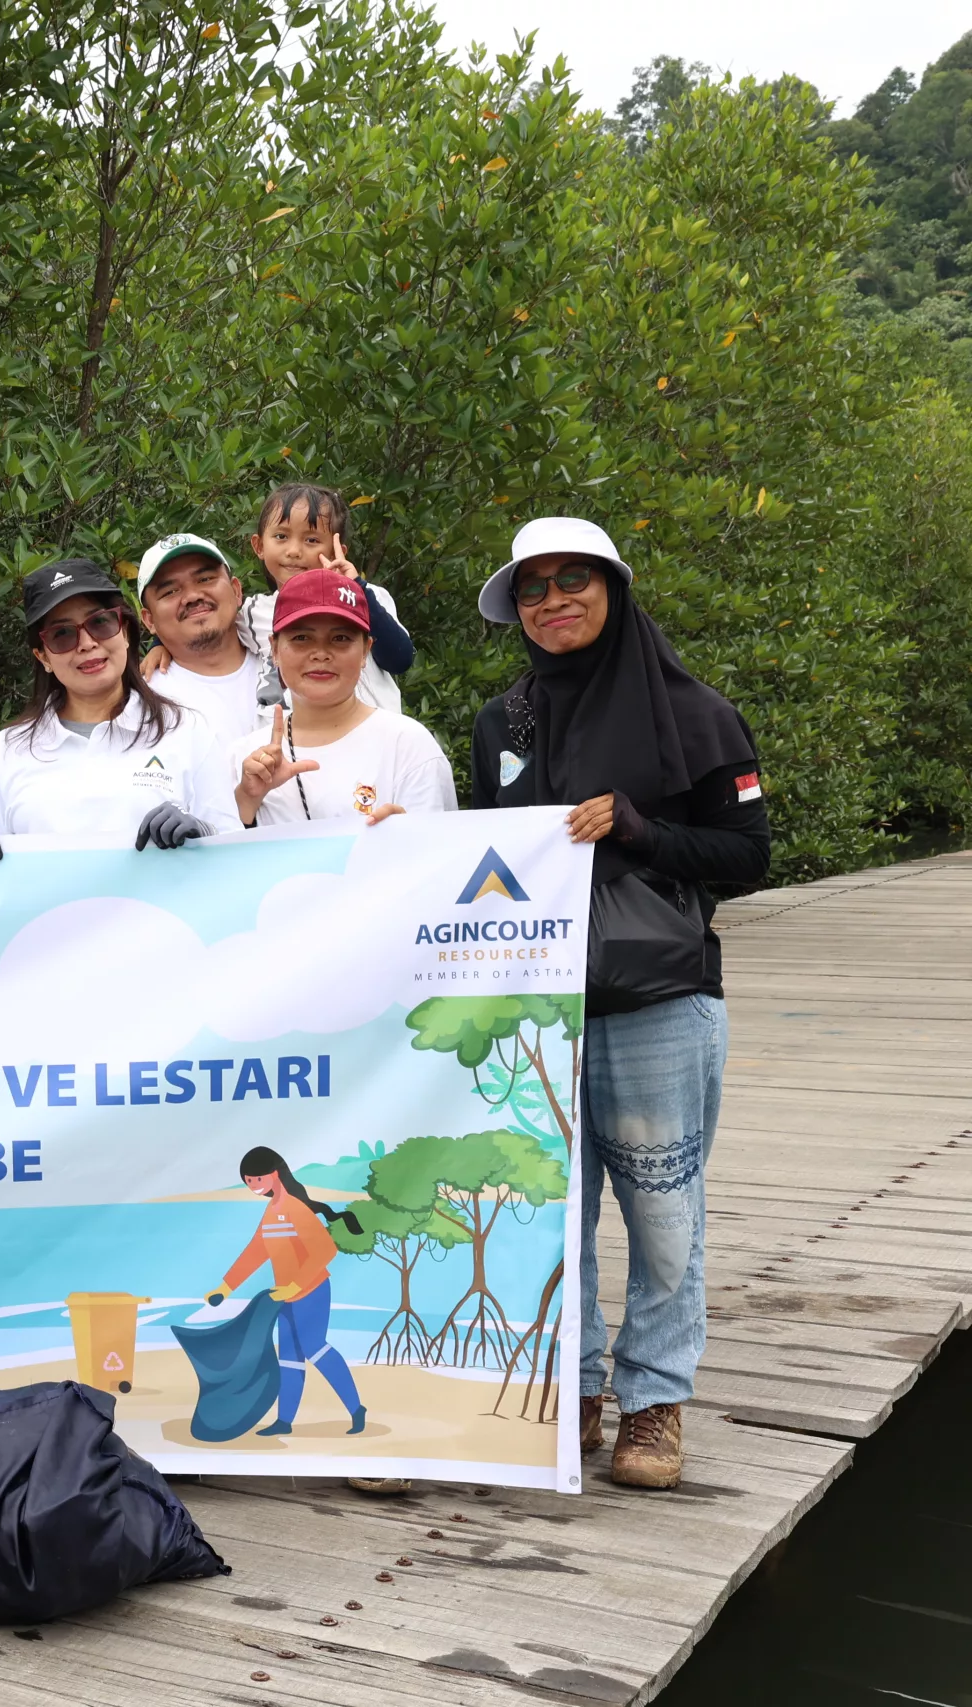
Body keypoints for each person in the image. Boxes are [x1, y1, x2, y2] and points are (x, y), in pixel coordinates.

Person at [472, 516, 768, 1492]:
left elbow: (747, 857)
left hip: (656, 1000)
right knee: (548, 1214)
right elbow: (482, 862)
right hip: (532, 1008)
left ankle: (651, 1402)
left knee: (661, 1212)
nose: (553, 600)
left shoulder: (699, 716)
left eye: (573, 581)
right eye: (533, 587)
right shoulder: (499, 724)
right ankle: (575, 1391)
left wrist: (638, 829)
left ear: (613, 589)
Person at [0, 558, 239, 860]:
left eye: (100, 623)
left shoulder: (187, 730)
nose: (86, 644)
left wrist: (202, 833)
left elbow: (235, 854)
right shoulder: (5, 753)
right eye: (62, 635)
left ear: (124, 632)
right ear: (42, 656)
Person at [233, 568, 457, 828]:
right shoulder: (247, 760)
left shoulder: (409, 747)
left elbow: (440, 858)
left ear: (365, 650)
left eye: (340, 638)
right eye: (301, 638)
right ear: (274, 649)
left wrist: (407, 840)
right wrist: (247, 801)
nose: (320, 653)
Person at [207, 1147, 369, 1437]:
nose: (253, 1187)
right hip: (285, 1295)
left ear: (274, 1174)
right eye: (248, 1182)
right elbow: (256, 1251)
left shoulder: (295, 1208)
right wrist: (226, 1286)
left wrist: (298, 1284)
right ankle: (284, 1420)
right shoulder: (271, 1212)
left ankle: (357, 1409)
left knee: (314, 1348)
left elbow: (325, 1249)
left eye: (257, 1180)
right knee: (289, 1358)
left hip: (312, 1290)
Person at [239, 484, 415, 712]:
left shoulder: (369, 595)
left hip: (379, 736)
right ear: (259, 546)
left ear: (336, 550)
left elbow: (399, 660)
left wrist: (357, 590)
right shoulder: (254, 612)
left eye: (311, 540)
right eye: (281, 536)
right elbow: (209, 642)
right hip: (307, 742)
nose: (293, 550)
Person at [135, 533, 266, 741]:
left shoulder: (289, 662)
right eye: (169, 591)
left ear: (236, 591)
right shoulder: (140, 708)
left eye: (205, 579)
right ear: (149, 620)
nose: (192, 596)